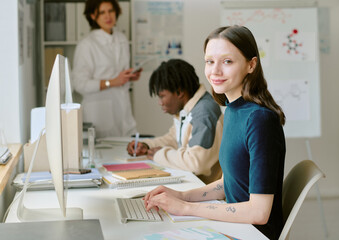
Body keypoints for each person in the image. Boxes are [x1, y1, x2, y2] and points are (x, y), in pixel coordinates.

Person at [143, 26, 286, 240]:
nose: (215, 71)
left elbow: (259, 212)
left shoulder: (259, 119)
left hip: (251, 234)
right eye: (210, 61)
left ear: (251, 64)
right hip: (233, 227)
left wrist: (185, 208)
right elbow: (229, 183)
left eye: (227, 61)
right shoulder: (232, 110)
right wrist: (182, 196)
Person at [127, 59, 223, 184]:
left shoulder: (204, 113)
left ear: (179, 92)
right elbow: (174, 139)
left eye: (162, 96)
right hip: (193, 182)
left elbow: (196, 163)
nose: (160, 102)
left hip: (206, 188)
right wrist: (146, 145)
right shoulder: (187, 108)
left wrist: (158, 155)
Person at [72, 0, 141, 138]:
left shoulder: (121, 39)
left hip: (123, 109)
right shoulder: (87, 45)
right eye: (102, 12)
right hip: (99, 112)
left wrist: (129, 77)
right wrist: (112, 82)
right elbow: (79, 84)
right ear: (93, 16)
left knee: (126, 152)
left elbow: (120, 77)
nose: (108, 16)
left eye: (111, 11)